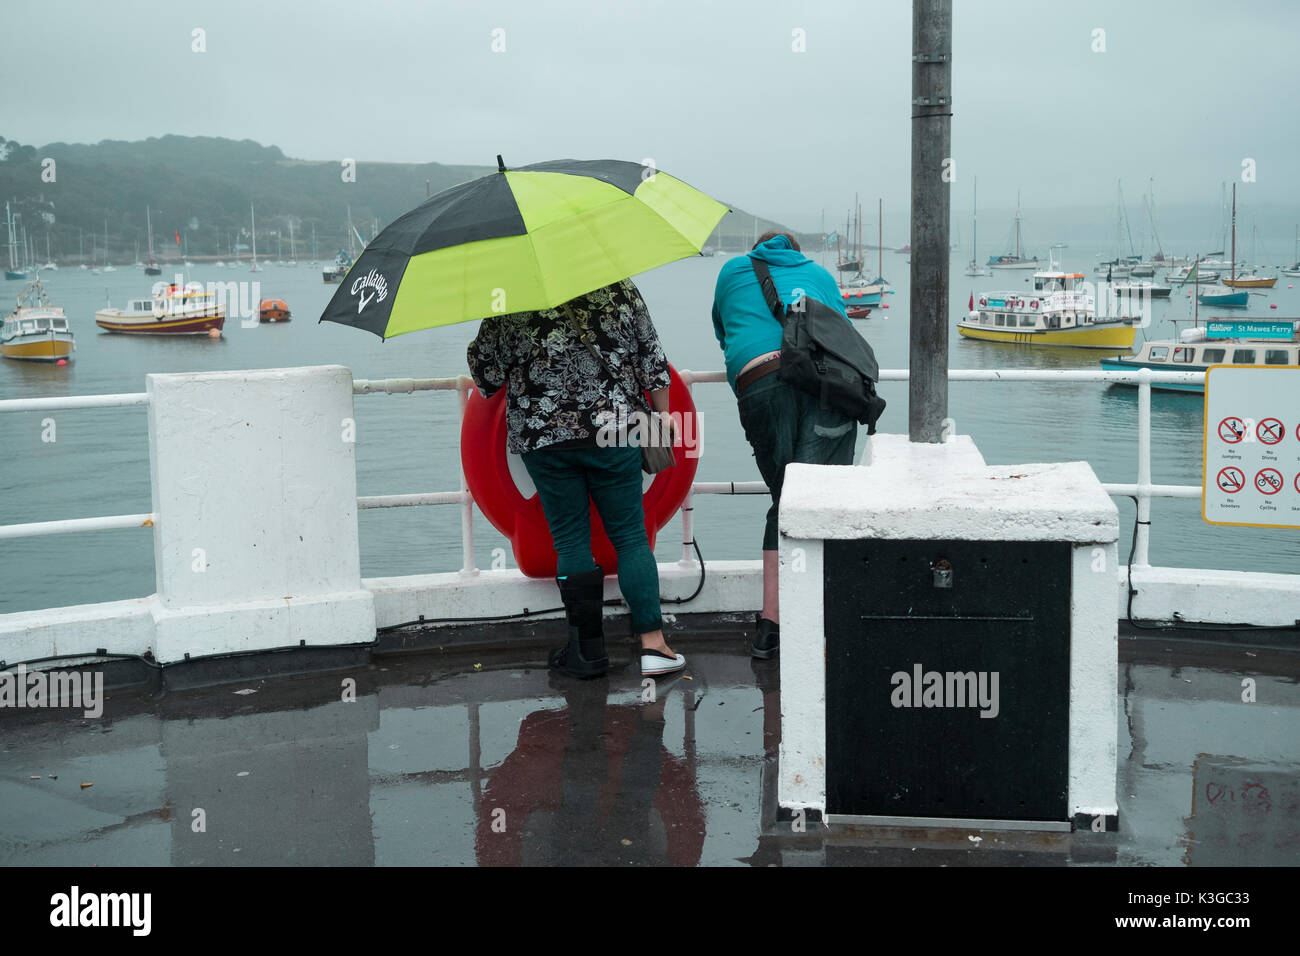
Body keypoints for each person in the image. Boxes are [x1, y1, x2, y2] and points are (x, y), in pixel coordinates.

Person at [467, 278, 685, 679]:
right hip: (614, 432)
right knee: (630, 536)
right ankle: (654, 646)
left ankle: (587, 652)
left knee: (569, 540)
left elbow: (487, 376)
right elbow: (651, 358)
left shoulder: (511, 292)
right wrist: (664, 413)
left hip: (544, 438)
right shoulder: (618, 287)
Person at [711, 232, 858, 660]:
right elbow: (841, 332)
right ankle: (824, 620)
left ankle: (770, 627)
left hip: (757, 382)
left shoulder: (731, 272)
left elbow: (723, 331)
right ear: (796, 253)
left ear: (757, 250)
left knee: (785, 499)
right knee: (817, 501)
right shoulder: (818, 275)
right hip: (820, 383)